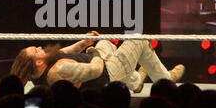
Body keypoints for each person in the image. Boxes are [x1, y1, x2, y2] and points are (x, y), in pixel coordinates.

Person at [10, 31, 185, 93]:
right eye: (36, 51)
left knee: (104, 42)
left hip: (104, 66)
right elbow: (96, 70)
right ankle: (166, 80)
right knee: (137, 40)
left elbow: (63, 52)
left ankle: (135, 82)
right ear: (38, 63)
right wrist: (93, 51)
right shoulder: (59, 70)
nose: (40, 48)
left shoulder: (41, 69)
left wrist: (82, 43)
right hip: (107, 74)